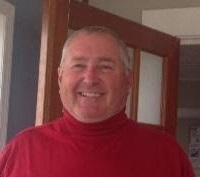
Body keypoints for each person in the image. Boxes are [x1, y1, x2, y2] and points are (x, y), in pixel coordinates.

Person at [0, 26, 195, 177]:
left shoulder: (167, 155)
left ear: (128, 80)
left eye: (105, 67)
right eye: (78, 65)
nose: (90, 78)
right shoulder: (21, 150)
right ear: (60, 78)